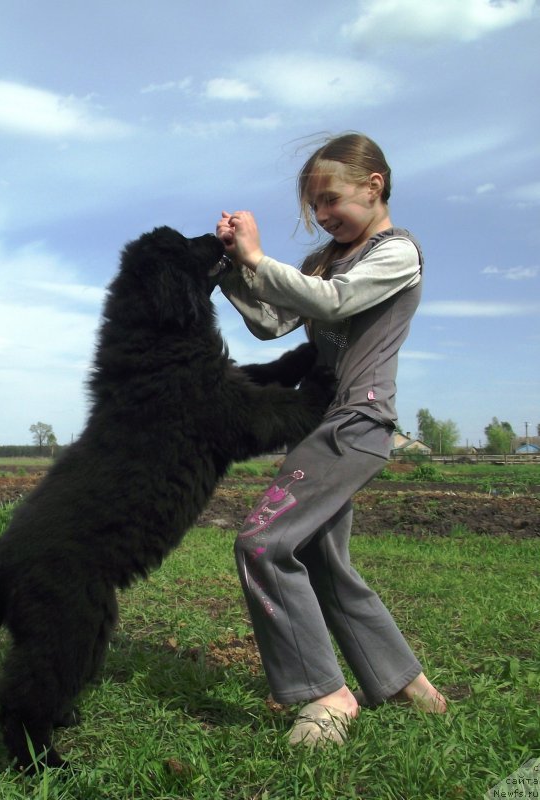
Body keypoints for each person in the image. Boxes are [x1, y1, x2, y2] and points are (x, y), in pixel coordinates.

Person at [214, 132, 447, 748]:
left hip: (358, 422)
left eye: (330, 200)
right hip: (325, 424)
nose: (322, 216)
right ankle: (406, 685)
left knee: (261, 543)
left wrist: (261, 261)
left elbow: (336, 303)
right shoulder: (325, 259)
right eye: (313, 207)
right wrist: (233, 266)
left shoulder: (398, 254)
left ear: (374, 186)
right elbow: (270, 322)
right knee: (320, 557)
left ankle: (325, 694)